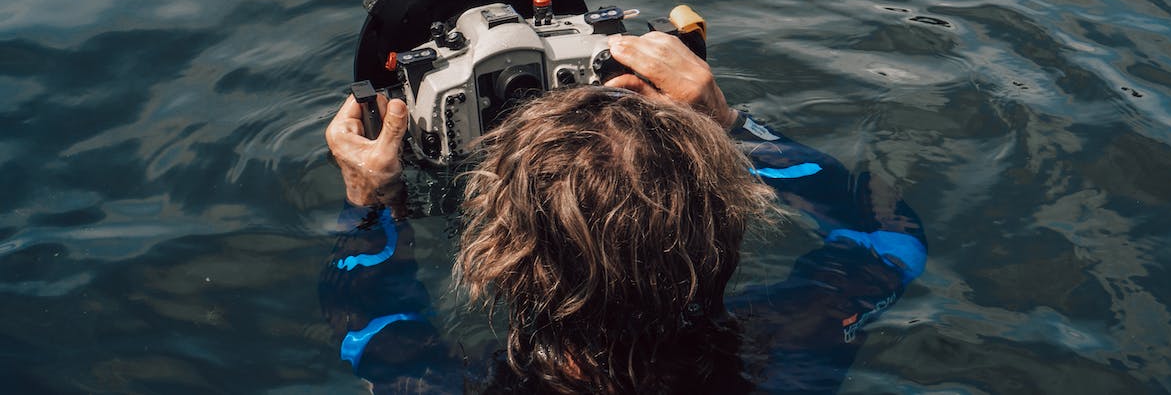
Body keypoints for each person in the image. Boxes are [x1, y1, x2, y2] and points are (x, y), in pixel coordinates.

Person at [321, 32, 927, 394]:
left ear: (495, 255)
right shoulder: (796, 343)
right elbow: (892, 236)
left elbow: (370, 329)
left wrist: (370, 203)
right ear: (730, 224)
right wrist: (733, 126)